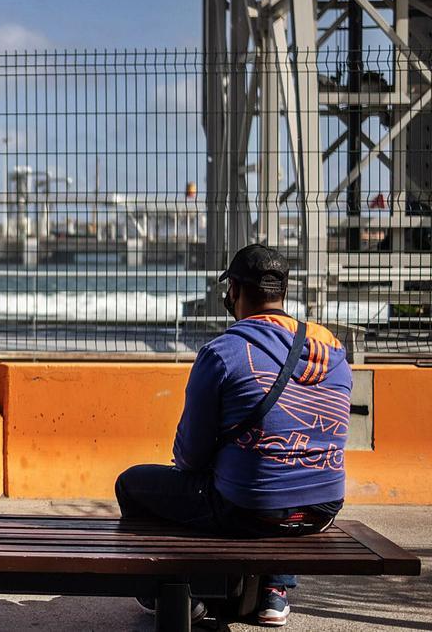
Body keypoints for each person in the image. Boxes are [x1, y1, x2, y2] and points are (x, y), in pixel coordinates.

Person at [115, 244, 351, 627]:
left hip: (247, 510)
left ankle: (172, 591)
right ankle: (275, 590)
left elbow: (189, 456)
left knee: (132, 485)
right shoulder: (332, 349)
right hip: (324, 508)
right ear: (283, 292)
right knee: (282, 474)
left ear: (236, 290)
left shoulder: (223, 351)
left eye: (229, 290)